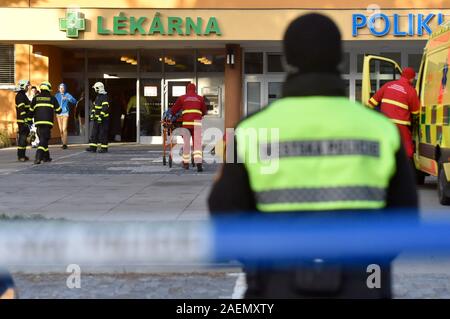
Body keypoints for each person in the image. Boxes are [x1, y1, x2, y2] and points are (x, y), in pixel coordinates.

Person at [208, 13, 418, 298]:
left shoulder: (246, 131)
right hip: (364, 283)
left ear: (286, 60)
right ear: (340, 60)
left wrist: (262, 263)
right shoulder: (382, 130)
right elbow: (405, 216)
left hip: (276, 283)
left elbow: (223, 212)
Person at [368, 67, 420, 160]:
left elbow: (371, 103)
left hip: (385, 124)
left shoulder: (388, 85)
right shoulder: (411, 90)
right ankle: (406, 169)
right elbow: (415, 112)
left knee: (385, 148)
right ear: (412, 78)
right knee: (407, 149)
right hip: (401, 125)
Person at [170, 83, 207, 172]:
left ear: (187, 89)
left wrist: (173, 116)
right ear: (195, 89)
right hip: (196, 124)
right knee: (197, 144)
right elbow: (204, 111)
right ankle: (198, 163)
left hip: (186, 124)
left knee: (186, 144)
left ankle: (186, 164)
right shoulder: (200, 98)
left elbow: (173, 110)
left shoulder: (182, 98)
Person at [29, 81, 61, 164]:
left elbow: (30, 112)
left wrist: (28, 120)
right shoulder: (52, 98)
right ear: (48, 89)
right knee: (43, 140)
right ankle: (38, 158)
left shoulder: (35, 98)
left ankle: (46, 158)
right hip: (47, 123)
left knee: (44, 139)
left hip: (38, 124)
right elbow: (59, 110)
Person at [86, 82, 110, 153]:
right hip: (96, 119)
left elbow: (105, 108)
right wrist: (92, 113)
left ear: (98, 88)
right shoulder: (98, 97)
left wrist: (101, 116)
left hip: (103, 119)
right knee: (94, 133)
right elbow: (94, 106)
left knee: (103, 133)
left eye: (95, 88)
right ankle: (93, 147)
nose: (94, 90)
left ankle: (104, 148)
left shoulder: (104, 97)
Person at [55, 83, 77, 149]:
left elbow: (75, 101)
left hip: (65, 113)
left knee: (64, 129)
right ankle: (63, 143)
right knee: (61, 130)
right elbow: (54, 104)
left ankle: (64, 144)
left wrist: (67, 98)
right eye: (61, 88)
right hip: (58, 114)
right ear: (58, 89)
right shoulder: (57, 95)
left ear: (65, 89)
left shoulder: (67, 95)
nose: (62, 89)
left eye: (63, 88)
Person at [15, 80, 32, 162]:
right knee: (22, 138)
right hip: (22, 121)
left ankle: (23, 155)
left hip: (24, 120)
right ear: (22, 86)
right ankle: (20, 156)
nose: (27, 88)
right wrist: (25, 120)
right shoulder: (20, 96)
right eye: (26, 86)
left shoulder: (23, 95)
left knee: (24, 139)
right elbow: (21, 109)